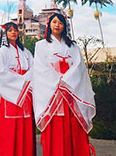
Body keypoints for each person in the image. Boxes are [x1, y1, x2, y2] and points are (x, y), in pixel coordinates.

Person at [24, 13, 96, 156]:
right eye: (54, 22)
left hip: (72, 90)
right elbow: (40, 69)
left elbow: (79, 67)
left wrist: (67, 82)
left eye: (61, 23)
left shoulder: (73, 46)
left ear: (65, 26)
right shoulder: (41, 45)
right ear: (49, 24)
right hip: (53, 92)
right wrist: (59, 82)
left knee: (74, 125)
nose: (57, 25)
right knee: (56, 128)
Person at [0, 22, 35, 156]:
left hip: (26, 93)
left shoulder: (26, 52)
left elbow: (34, 68)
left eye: (15, 30)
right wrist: (19, 81)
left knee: (25, 126)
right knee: (10, 127)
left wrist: (26, 80)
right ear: (5, 34)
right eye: (10, 31)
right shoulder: (3, 51)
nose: (13, 33)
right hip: (10, 93)